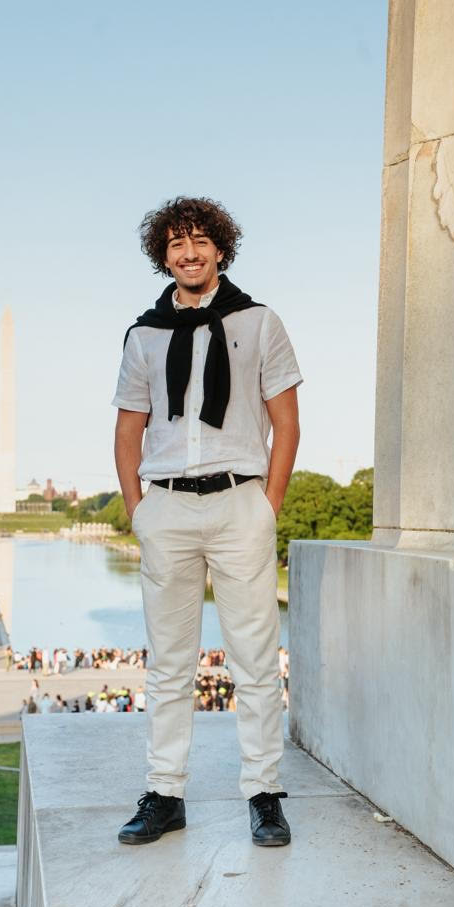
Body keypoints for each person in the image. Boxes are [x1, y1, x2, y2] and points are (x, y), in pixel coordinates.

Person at [112, 197, 301, 847]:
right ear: (161, 256)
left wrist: (264, 504)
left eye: (198, 241)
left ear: (220, 248)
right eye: (174, 244)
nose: (187, 253)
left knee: (253, 657)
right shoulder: (142, 334)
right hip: (166, 506)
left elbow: (285, 423)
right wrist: (140, 511)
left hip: (237, 502)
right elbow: (127, 429)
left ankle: (264, 793)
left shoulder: (259, 322)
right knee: (168, 663)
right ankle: (165, 793)